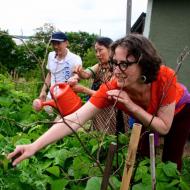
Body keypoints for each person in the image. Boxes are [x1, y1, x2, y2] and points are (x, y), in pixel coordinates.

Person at [8, 34, 190, 171]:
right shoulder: (112, 87)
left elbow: (164, 127)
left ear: (144, 63)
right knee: (138, 156)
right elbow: (76, 118)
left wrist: (131, 105)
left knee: (171, 161)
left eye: (124, 64)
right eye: (114, 63)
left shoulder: (165, 77)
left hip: (179, 110)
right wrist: (34, 146)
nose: (116, 71)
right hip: (142, 115)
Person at [68, 36, 129, 134]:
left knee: (112, 137)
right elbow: (86, 74)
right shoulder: (100, 66)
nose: (97, 54)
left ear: (110, 49)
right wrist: (78, 74)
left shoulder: (118, 68)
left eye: (100, 50)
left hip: (114, 111)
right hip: (100, 109)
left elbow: (109, 96)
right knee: (98, 134)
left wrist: (84, 90)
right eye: (96, 51)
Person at [39, 31, 82, 114]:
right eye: (53, 44)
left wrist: (75, 78)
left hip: (66, 98)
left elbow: (77, 75)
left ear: (66, 43)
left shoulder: (75, 58)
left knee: (62, 123)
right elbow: (50, 73)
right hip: (51, 96)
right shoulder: (51, 56)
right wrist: (43, 90)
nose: (55, 46)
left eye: (58, 43)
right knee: (49, 119)